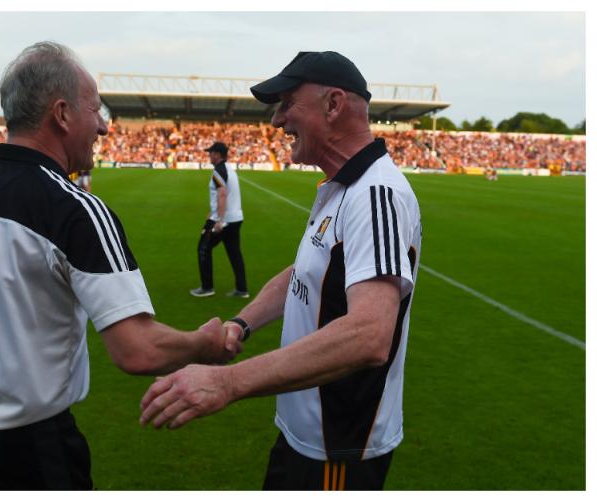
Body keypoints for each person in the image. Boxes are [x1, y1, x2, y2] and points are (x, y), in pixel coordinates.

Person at [0, 41, 242, 490]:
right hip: (23, 453)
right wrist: (204, 345)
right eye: (95, 110)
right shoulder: (74, 209)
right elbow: (138, 349)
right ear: (61, 114)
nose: (102, 127)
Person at [140, 51, 423, 491]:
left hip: (337, 450)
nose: (276, 120)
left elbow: (370, 334)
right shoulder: (341, 187)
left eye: (288, 103)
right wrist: (242, 322)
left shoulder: (376, 194)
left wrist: (227, 382)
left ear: (333, 105)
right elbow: (305, 272)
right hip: (306, 436)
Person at [189, 141, 248, 298]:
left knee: (203, 248)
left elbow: (222, 193)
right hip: (236, 218)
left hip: (224, 220)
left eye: (211, 153)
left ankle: (207, 287)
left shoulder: (218, 171)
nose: (209, 155)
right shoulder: (229, 169)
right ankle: (242, 289)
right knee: (234, 253)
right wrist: (212, 211)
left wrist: (219, 220)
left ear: (217, 154)